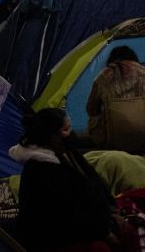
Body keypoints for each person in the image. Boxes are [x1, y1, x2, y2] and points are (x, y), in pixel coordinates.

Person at [10, 108, 118, 252]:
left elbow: (93, 183)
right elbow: (67, 215)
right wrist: (104, 231)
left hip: (87, 225)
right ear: (52, 136)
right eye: (66, 129)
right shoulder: (41, 170)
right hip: (53, 239)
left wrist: (111, 212)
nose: (71, 134)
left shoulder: (67, 151)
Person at [87, 46, 145, 149]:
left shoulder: (103, 76)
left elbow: (91, 109)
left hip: (113, 139)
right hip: (143, 136)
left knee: (94, 118)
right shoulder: (143, 71)